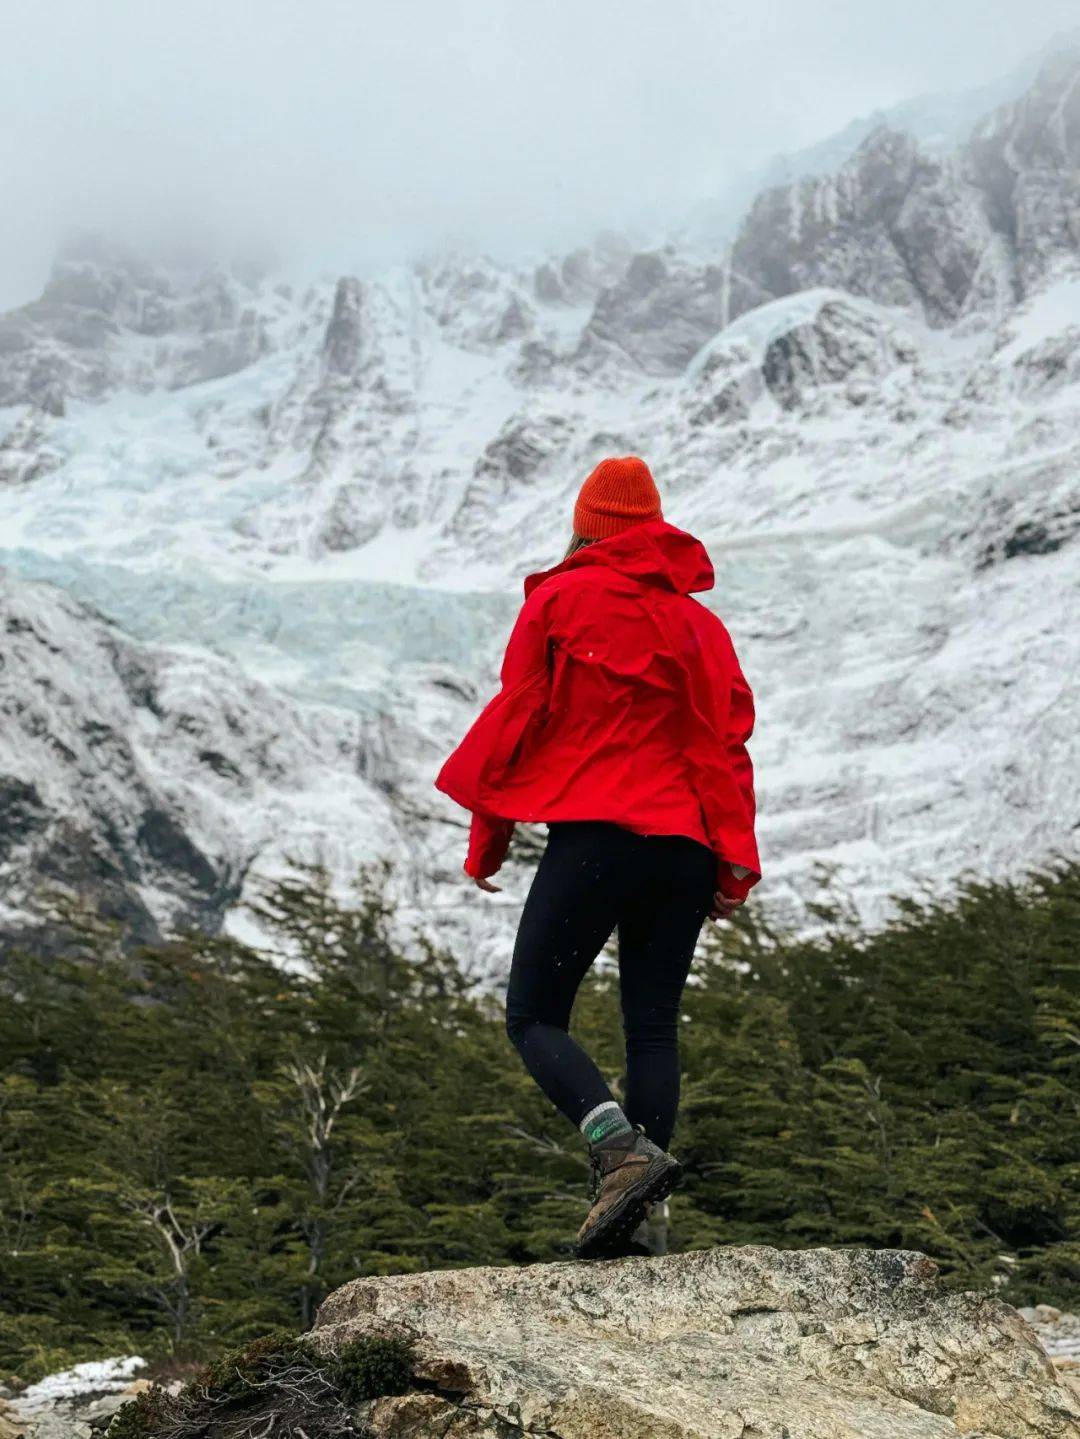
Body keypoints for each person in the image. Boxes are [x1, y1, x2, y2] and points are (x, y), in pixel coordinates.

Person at [434, 455, 760, 1259]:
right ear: (652, 528)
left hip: (599, 836)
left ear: (586, 525)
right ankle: (633, 1227)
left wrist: (490, 838)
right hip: (684, 845)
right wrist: (728, 861)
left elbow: (518, 719)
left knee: (535, 1014)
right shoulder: (702, 628)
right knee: (652, 1025)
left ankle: (618, 1151)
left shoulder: (560, 600)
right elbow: (729, 746)